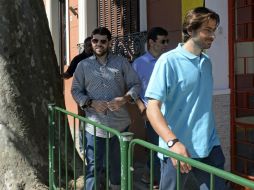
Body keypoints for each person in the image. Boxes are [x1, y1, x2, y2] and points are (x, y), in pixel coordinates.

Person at [145, 7, 227, 190]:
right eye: (207, 30)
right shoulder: (168, 61)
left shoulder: (206, 62)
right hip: (178, 152)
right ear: (190, 30)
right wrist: (173, 143)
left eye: (213, 30)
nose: (212, 35)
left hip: (210, 149)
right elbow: (152, 108)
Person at [71, 27, 141, 190]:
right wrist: (90, 103)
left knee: (118, 167)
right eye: (95, 40)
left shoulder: (121, 62)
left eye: (103, 41)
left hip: (120, 125)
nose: (99, 44)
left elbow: (136, 84)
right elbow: (75, 90)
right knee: (94, 167)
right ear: (91, 42)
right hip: (94, 127)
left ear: (109, 43)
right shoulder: (83, 65)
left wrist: (124, 99)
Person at [132, 27, 169, 188]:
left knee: (167, 145)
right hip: (152, 113)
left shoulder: (168, 60)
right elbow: (133, 88)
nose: (165, 45)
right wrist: (142, 108)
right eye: (162, 41)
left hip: (171, 112)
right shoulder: (139, 63)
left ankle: (151, 174)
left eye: (167, 41)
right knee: (156, 147)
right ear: (151, 42)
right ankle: (157, 180)